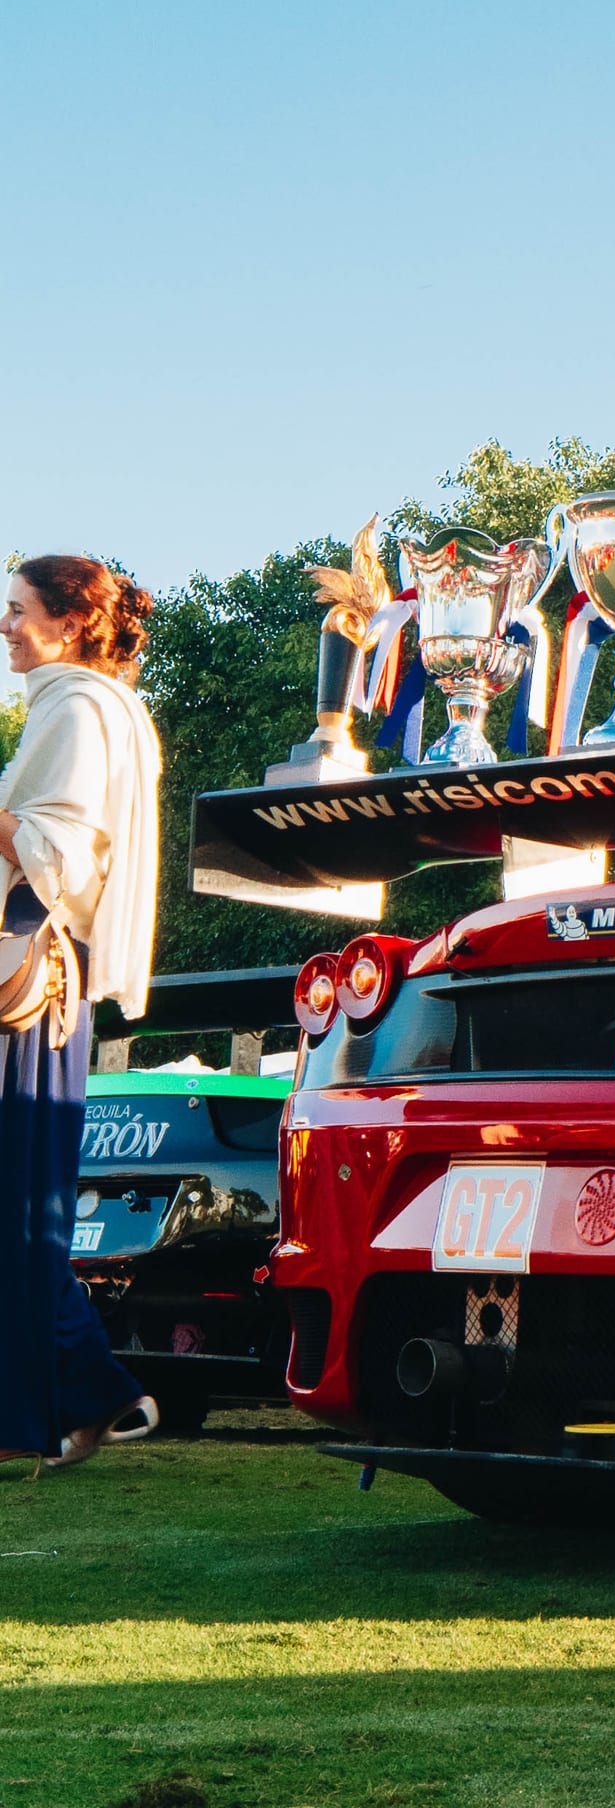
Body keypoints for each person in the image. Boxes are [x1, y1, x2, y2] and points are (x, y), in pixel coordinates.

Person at [0, 557, 164, 1467]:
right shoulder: (99, 706)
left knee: (17, 1205)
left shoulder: (74, 709)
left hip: (28, 964)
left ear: (69, 623)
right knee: (20, 1204)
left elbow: (56, 856)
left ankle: (58, 1401)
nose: (5, 627)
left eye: (18, 611)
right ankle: (92, 1391)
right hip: (47, 976)